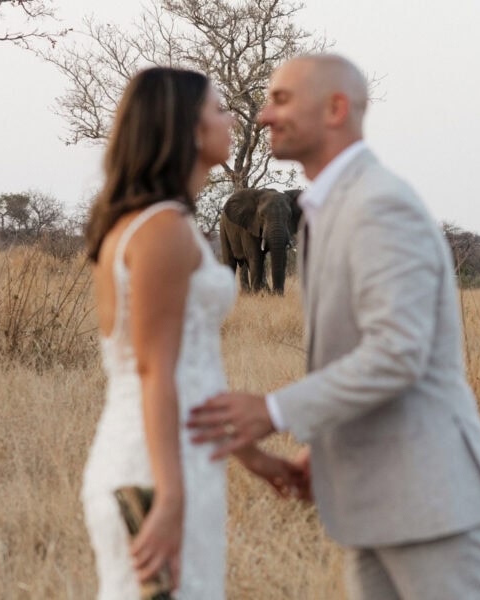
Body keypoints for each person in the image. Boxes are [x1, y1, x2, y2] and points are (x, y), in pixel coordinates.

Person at [188, 54, 480, 599]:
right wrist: (324, 448)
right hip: (373, 501)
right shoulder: (326, 208)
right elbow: (354, 354)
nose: (263, 115)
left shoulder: (380, 204)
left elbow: (397, 353)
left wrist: (273, 411)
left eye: (281, 100)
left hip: (430, 501)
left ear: (336, 108)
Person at [81, 66, 300, 599]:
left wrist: (253, 456)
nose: (233, 119)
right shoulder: (162, 229)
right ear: (188, 129)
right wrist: (171, 496)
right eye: (219, 109)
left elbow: (190, 367)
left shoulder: (160, 221)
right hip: (156, 467)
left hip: (172, 454)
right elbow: (155, 370)